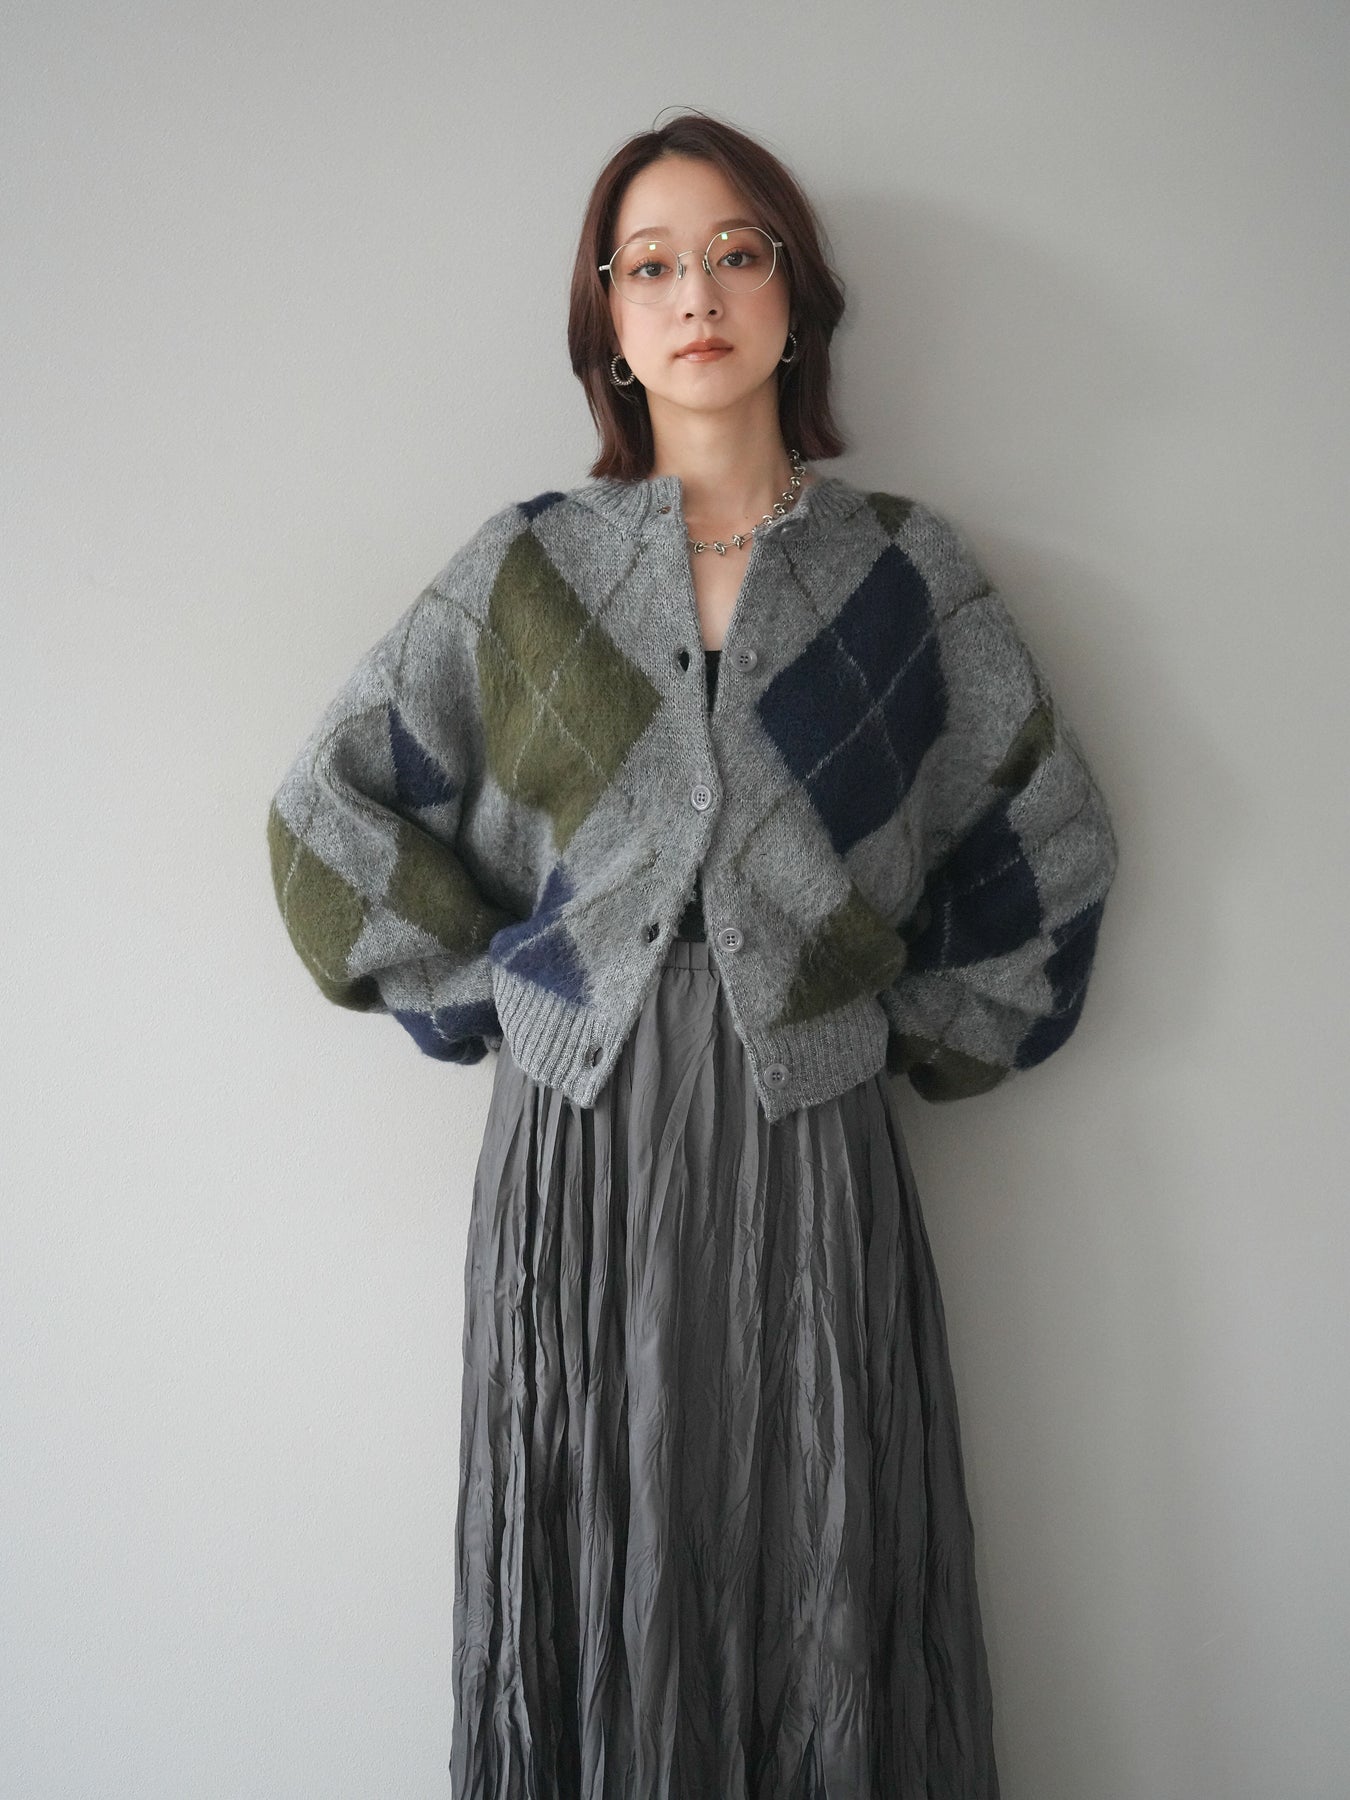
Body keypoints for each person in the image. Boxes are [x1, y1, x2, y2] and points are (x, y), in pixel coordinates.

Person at [266, 109, 1119, 1798]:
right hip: (577, 1156)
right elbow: (325, 819)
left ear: (796, 297)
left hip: (813, 1152)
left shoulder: (905, 576)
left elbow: (1053, 847)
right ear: (606, 319)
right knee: (598, 1551)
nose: (695, 295)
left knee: (820, 1554)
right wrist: (501, 1001)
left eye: (735, 253)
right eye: (648, 265)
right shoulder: (526, 572)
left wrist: (898, 1031)